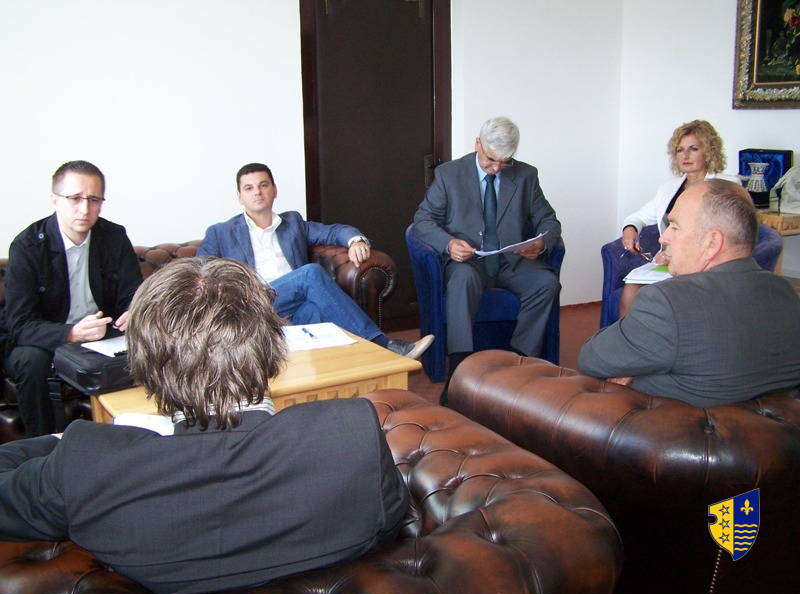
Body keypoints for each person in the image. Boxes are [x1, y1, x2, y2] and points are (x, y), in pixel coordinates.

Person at [0, 257, 409, 594]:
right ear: (273, 346)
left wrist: (60, 440)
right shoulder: (352, 431)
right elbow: (390, 520)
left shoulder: (86, 464)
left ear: (143, 366)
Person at [579, 179, 800, 407]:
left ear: (711, 243)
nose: (663, 238)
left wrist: (636, 371)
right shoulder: (786, 293)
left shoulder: (669, 302)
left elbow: (592, 358)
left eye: (674, 227)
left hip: (675, 427)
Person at [198, 163, 433, 359]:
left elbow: (334, 231)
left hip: (290, 304)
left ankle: (340, 379)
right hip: (252, 303)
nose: (257, 192)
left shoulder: (292, 223)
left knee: (312, 311)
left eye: (263, 185)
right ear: (239, 196)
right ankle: (383, 346)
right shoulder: (221, 232)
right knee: (309, 274)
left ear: (274, 190)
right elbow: (199, 270)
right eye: (249, 188)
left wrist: (356, 241)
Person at [412, 116, 561, 389]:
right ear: (477, 144)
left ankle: (519, 363)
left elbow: (549, 221)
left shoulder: (526, 175)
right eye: (491, 160)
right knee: (462, 280)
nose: (496, 168)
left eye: (504, 162)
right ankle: (459, 371)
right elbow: (422, 221)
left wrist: (541, 243)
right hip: (469, 261)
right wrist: (449, 243)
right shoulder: (449, 175)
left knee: (546, 283)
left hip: (511, 261)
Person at [0, 160, 142, 437]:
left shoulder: (113, 237)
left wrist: (134, 312)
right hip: (41, 340)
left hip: (100, 334)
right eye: (75, 198)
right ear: (55, 200)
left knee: (149, 343)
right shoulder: (28, 247)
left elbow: (133, 295)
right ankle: (46, 446)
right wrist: (71, 333)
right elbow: (20, 325)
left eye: (94, 199)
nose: (85, 209)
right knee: (32, 362)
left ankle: (137, 439)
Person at [617, 120, 741, 317]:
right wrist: (630, 230)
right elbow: (640, 216)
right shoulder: (668, 188)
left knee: (668, 295)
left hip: (706, 263)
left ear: (709, 151)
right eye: (680, 150)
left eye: (693, 149)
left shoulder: (728, 185)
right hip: (668, 262)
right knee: (630, 290)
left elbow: (727, 234)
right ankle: (627, 337)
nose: (685, 155)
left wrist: (676, 255)